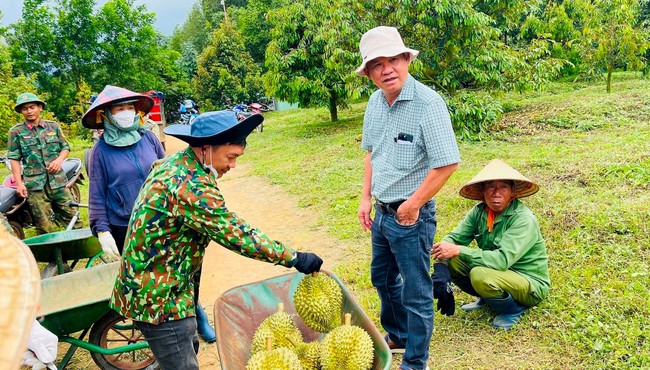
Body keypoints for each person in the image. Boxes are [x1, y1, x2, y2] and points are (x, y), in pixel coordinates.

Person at [109, 110, 323, 369]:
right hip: (159, 299)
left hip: (162, 285)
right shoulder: (191, 185)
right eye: (230, 157)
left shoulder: (175, 163)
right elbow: (236, 233)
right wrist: (295, 258)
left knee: (186, 347)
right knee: (182, 363)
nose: (233, 165)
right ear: (206, 149)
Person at [355, 26, 461, 370]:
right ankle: (398, 333)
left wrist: (412, 205)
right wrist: (365, 198)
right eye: (377, 64)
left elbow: (447, 163)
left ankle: (416, 361)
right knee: (382, 279)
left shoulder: (428, 104)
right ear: (369, 73)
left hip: (411, 216)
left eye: (394, 60)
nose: (387, 69)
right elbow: (372, 152)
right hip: (382, 213)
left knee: (416, 292)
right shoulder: (374, 102)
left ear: (406, 60)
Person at [432, 159, 550, 330]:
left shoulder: (523, 219)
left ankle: (513, 309)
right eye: (491, 187)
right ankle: (488, 298)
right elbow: (452, 240)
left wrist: (459, 250)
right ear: (482, 192)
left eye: (503, 187)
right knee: (452, 259)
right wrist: (441, 269)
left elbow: (501, 260)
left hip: (528, 282)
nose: (496, 193)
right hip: (497, 272)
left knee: (480, 275)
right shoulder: (479, 212)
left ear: (512, 192)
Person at [6, 92, 82, 234]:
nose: (29, 111)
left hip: (58, 182)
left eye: (32, 107)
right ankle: (54, 256)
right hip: (35, 186)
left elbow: (65, 147)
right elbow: (14, 158)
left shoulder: (53, 127)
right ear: (21, 111)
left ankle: (80, 250)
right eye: (25, 109)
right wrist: (19, 183)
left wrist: (59, 161)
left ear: (40, 107)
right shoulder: (16, 132)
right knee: (44, 226)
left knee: (72, 218)